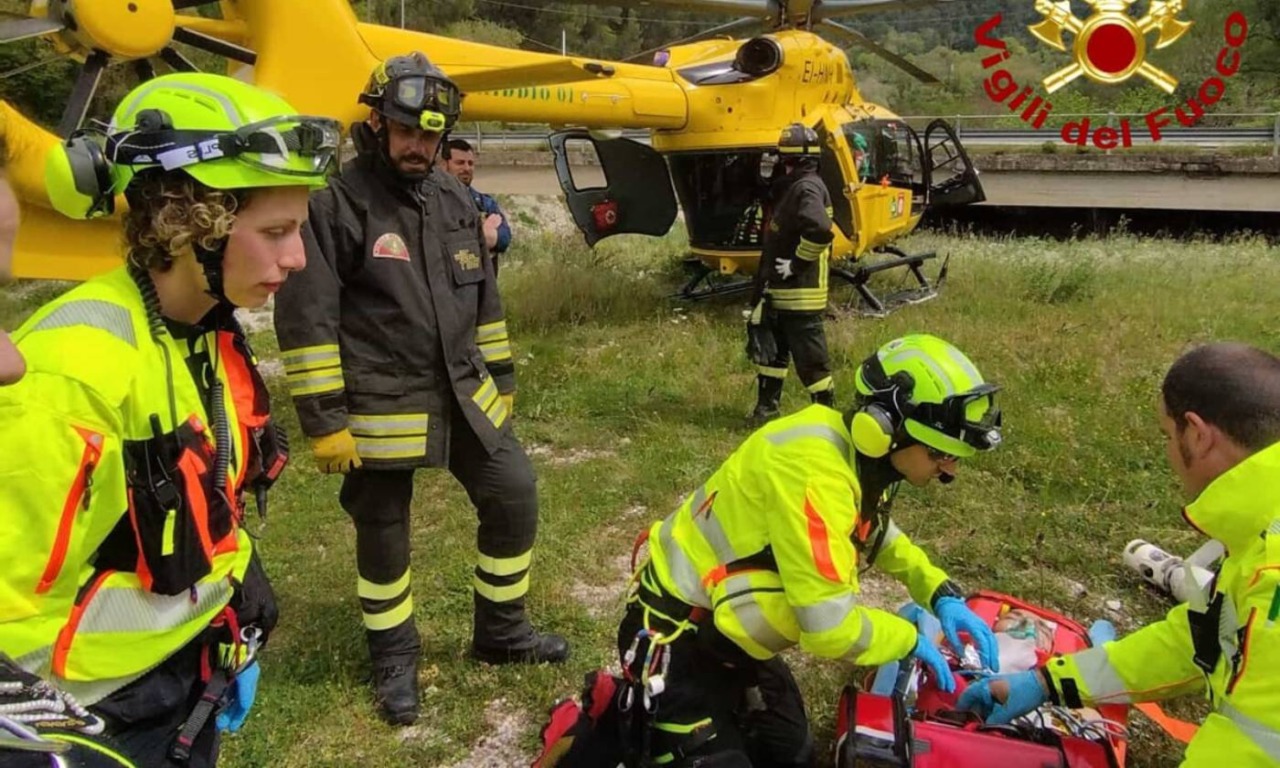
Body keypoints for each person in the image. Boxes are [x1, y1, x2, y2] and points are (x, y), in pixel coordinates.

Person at [0, 72, 339, 766]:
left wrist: (236, 584)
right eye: (275, 232)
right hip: (96, 718)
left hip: (183, 684)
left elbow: (193, 497)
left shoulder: (203, 333)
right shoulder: (74, 371)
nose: (297, 257)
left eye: (298, 230)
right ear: (193, 228)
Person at [539, 333, 1005, 767]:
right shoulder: (815, 477)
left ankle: (667, 715)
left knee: (793, 751)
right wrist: (908, 640)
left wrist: (938, 591)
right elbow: (829, 629)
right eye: (940, 455)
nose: (949, 472)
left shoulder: (855, 453)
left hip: (727, 631)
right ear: (886, 430)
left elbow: (873, 530)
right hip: (672, 635)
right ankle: (604, 726)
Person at [272, 51, 568, 727]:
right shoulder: (336, 203)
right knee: (383, 532)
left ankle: (501, 632)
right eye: (407, 132)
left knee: (513, 492)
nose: (419, 146)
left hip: (466, 390)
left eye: (431, 136)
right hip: (379, 401)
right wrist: (325, 420)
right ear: (378, 124)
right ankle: (394, 659)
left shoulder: (456, 196)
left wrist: (504, 376)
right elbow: (307, 315)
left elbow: (484, 293)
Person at [959, 341, 1280, 767]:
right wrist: (1048, 682)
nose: (1168, 454)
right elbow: (1199, 640)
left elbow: (1251, 748)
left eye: (1169, 436)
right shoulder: (1259, 533)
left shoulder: (1271, 579)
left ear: (1198, 435)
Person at [747, 122, 837, 426]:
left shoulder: (806, 188)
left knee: (811, 362)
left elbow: (822, 230)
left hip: (801, 294)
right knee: (774, 356)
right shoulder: (800, 185)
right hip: (783, 293)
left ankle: (826, 417)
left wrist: (796, 264)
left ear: (788, 160)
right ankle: (766, 411)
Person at [441, 138, 511, 271]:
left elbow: (504, 238)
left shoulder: (485, 203)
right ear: (444, 165)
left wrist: (479, 237)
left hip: (483, 287)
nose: (466, 168)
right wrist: (483, 234)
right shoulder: (432, 201)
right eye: (460, 163)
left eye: (470, 163)